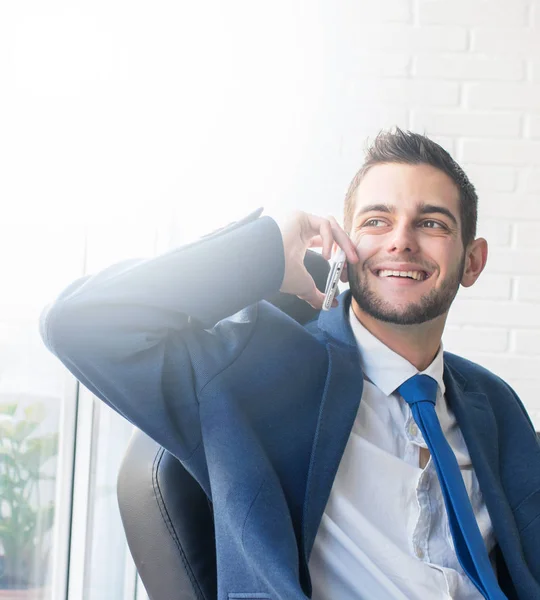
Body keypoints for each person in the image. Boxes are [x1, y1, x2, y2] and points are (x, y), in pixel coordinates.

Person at [40, 129, 540, 600]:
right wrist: (264, 253)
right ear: (345, 247)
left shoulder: (493, 403)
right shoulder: (256, 369)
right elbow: (77, 323)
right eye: (375, 221)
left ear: (472, 262)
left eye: (431, 223)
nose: (401, 240)